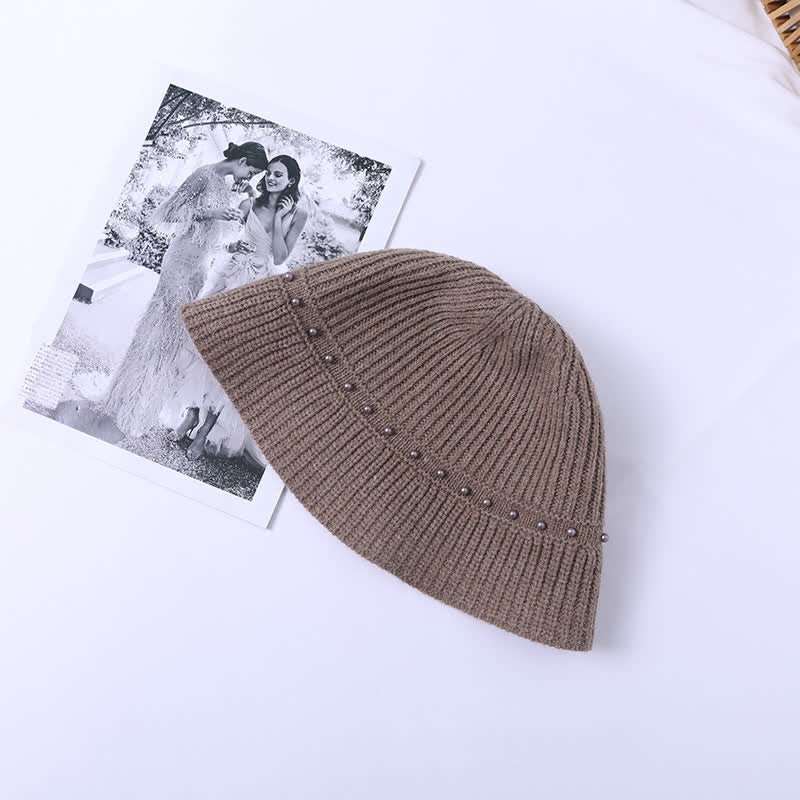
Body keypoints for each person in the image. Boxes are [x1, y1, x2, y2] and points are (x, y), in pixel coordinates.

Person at [103, 142, 269, 438]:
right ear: (243, 161)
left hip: (199, 266)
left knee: (173, 339)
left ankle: (140, 406)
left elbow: (208, 237)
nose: (250, 179)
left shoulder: (226, 187)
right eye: (252, 172)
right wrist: (212, 213)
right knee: (161, 332)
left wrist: (230, 245)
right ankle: (126, 400)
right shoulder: (203, 175)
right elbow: (168, 214)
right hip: (180, 262)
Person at [166, 155, 309, 463]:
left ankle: (205, 431)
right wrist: (233, 246)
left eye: (279, 175)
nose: (271, 178)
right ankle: (191, 414)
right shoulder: (248, 204)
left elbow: (280, 257)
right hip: (227, 275)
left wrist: (278, 220)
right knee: (202, 345)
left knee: (230, 358)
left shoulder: (297, 213)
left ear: (291, 181)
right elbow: (226, 240)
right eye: (269, 173)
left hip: (256, 285)